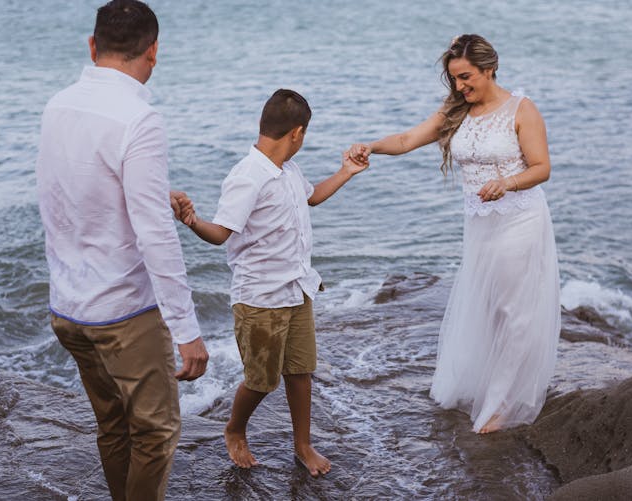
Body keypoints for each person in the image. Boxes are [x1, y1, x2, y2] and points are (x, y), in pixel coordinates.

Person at [35, 1, 208, 499]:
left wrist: (155, 192)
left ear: (92, 46)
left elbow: (67, 191)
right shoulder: (140, 118)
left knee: (114, 427)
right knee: (155, 432)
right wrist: (186, 328)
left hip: (68, 308)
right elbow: (155, 233)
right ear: (153, 53)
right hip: (122, 313)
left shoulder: (58, 104)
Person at [348, 34, 561, 434]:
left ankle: (500, 404)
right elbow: (409, 139)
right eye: (455, 79)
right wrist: (371, 147)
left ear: (489, 69)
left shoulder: (521, 109)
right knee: (491, 310)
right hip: (480, 226)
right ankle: (493, 386)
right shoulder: (456, 109)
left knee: (515, 315)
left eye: (466, 78)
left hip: (519, 219)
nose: (461, 87)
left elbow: (541, 167)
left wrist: (508, 183)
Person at [175, 89, 367, 476]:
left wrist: (347, 172)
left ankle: (303, 445)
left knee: (300, 371)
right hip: (260, 298)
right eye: (305, 134)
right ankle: (234, 430)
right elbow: (222, 233)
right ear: (297, 133)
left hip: (297, 290)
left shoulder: (289, 171)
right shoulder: (248, 176)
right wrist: (193, 221)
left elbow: (311, 199)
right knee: (262, 381)